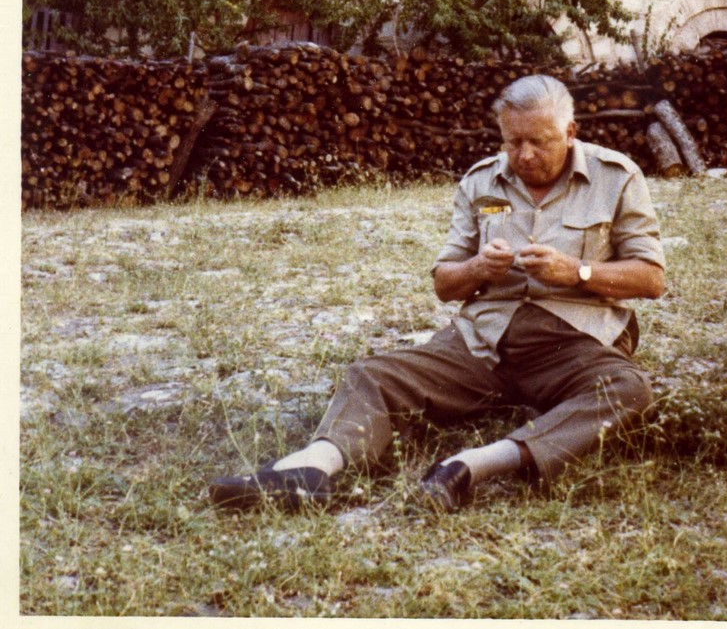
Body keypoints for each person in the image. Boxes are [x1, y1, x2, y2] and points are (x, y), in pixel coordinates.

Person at [209, 73, 666, 514]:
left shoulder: (616, 177)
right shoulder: (480, 182)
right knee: (374, 375)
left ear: (569, 132)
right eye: (512, 141)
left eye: (539, 142)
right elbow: (445, 284)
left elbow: (650, 278)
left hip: (572, 344)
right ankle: (310, 470)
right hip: (481, 343)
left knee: (629, 388)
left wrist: (577, 271)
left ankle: (471, 466)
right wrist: (476, 267)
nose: (524, 155)